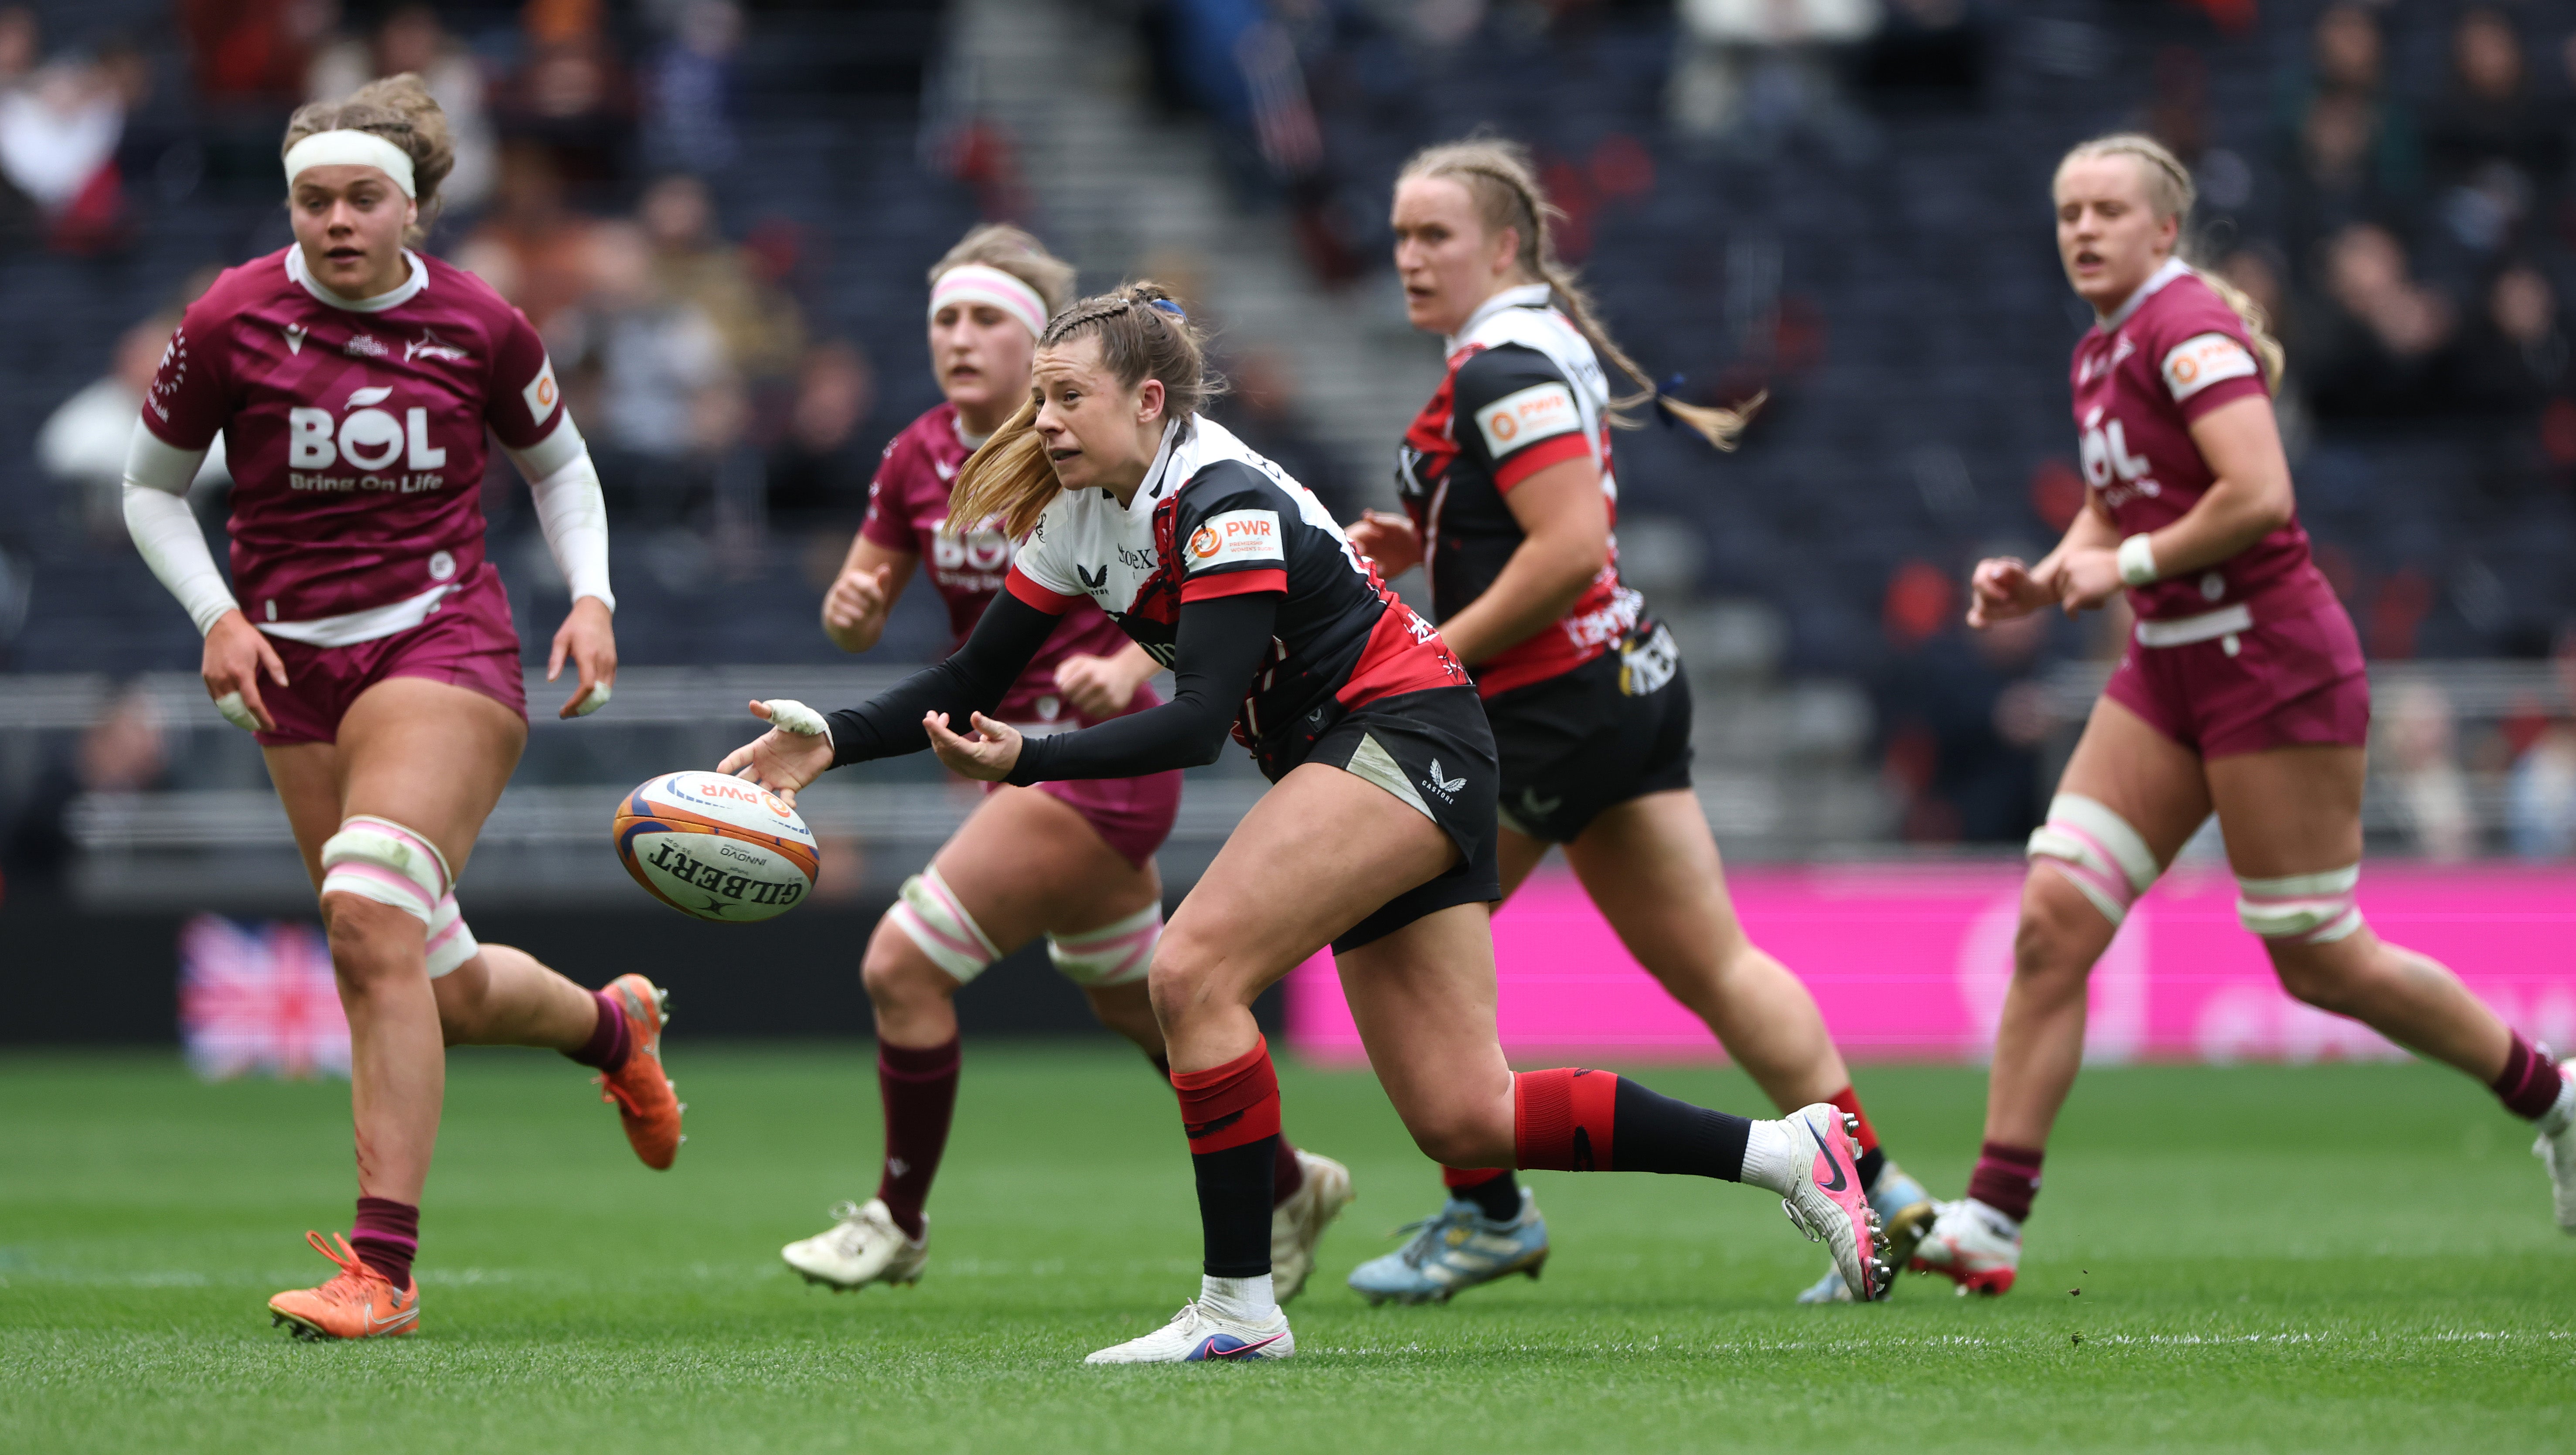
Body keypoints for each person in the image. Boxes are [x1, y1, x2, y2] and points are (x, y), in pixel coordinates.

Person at [722, 281, 1885, 1363]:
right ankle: (1788, 1152)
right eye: (1039, 398)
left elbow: (1193, 724)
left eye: (1065, 395)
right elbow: (966, 676)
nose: (1044, 419)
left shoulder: (1222, 501)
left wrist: (1033, 757)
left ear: (1147, 400)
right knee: (1462, 1112)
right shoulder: (1082, 518)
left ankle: (1236, 1307)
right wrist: (823, 739)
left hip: (1406, 740)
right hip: (1376, 755)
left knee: (1191, 971)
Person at [1920, 133, 2576, 1296]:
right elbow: (2112, 501)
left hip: (2269, 662)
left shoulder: (2183, 330)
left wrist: (2124, 564)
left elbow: (2258, 494)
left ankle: (2554, 1097)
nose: (2081, 229)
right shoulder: (2099, 348)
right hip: (2168, 671)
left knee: (2316, 956)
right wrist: (2043, 570)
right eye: (2068, 210)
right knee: (2049, 925)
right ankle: (1991, 1217)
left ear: (2163, 229)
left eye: (2106, 210)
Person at [120, 75, 681, 1341]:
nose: (335, 221)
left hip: (444, 645)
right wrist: (218, 614)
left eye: (362, 198)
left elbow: (563, 469)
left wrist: (590, 599)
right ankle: (610, 1027)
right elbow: (150, 491)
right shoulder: (228, 318)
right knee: (438, 979)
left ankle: (381, 1267)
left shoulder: (482, 325)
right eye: (312, 200)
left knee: (368, 910)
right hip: (289, 673)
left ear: (416, 209)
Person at [1340, 139, 1933, 1306]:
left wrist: (1431, 647)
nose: (1408, 256)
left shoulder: (1499, 365)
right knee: (1713, 961)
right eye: (1400, 235)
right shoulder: (1523, 345)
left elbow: (1564, 551)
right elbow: (1541, 523)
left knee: (1379, 924)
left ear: (1505, 245)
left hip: (1540, 707)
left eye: (1435, 236)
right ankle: (1877, 1179)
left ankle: (1486, 1210)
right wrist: (1439, 539)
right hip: (1619, 684)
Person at [780, 224, 1354, 1302]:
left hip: (1101, 762)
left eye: (987, 319)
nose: (959, 337)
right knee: (1137, 998)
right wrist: (836, 678)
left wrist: (1118, 675)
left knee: (899, 965)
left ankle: (897, 1219)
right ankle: (1285, 1182)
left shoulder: (1162, 469)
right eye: (942, 317)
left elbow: (1191, 634)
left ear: (1052, 346)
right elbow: (948, 655)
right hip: (1032, 748)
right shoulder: (927, 457)